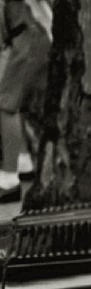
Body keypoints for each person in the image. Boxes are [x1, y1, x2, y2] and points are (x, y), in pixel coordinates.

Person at [0, 0, 51, 202]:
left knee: (6, 105)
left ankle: (9, 180)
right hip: (34, 34)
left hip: (27, 38)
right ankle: (22, 161)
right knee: (14, 101)